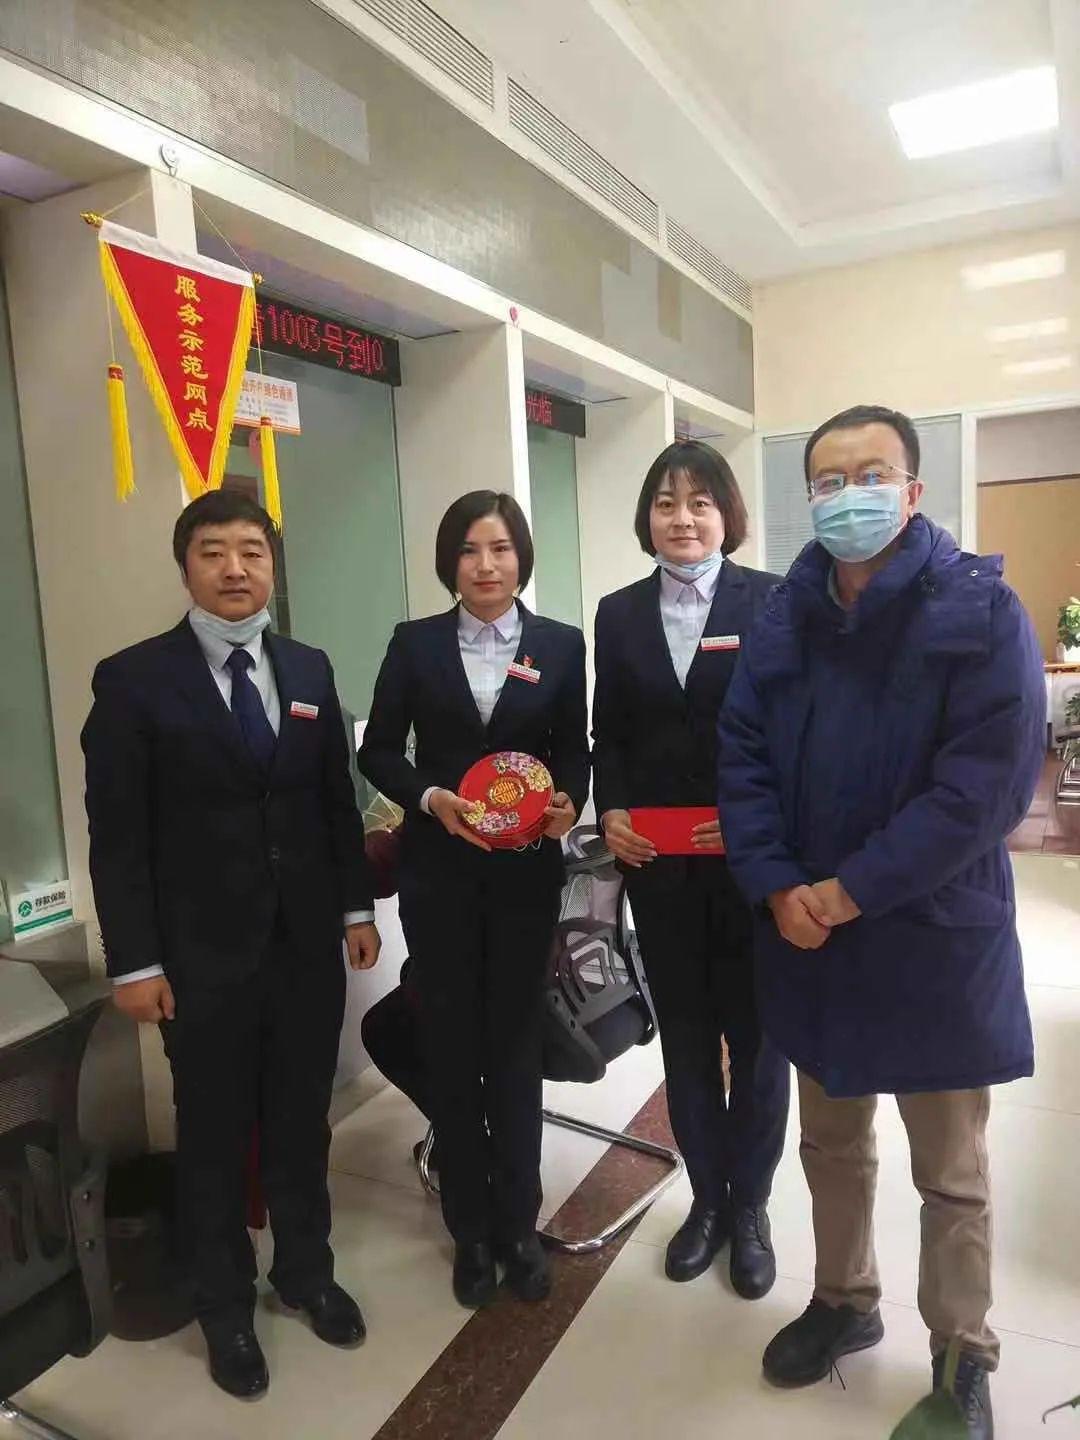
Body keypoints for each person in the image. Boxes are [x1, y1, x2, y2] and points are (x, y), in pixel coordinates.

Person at [717, 405, 1046, 1438]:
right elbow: (743, 757)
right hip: (811, 936)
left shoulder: (980, 610)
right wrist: (778, 885)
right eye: (828, 481)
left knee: (950, 1170)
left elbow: (983, 790)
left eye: (871, 475)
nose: (848, 496)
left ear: (912, 489)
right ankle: (844, 1300)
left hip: (931, 936)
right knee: (831, 1142)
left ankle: (962, 1353)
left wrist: (851, 889)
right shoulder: (787, 615)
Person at [82, 491, 381, 1401]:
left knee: (300, 1119)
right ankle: (224, 1307)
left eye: (252, 550)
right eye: (213, 551)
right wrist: (135, 963)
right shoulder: (134, 680)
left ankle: (307, 1274)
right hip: (196, 958)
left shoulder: (308, 667)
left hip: (303, 948)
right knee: (212, 1134)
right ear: (186, 568)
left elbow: (334, 804)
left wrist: (355, 909)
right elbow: (117, 837)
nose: (235, 568)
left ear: (273, 566)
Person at [358, 491, 589, 1309]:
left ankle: (518, 1226)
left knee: (516, 1051)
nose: (486, 565)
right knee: (452, 1048)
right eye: (468, 550)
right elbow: (379, 751)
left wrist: (567, 802)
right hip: (440, 877)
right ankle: (470, 1230)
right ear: (448, 562)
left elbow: (573, 751)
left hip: (525, 878)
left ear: (521, 556)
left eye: (500, 548)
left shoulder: (560, 645)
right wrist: (430, 799)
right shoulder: (414, 643)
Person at [592, 441, 790, 1297]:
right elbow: (611, 734)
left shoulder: (772, 602)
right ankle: (706, 1200)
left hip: (751, 869)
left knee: (757, 1043)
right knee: (684, 1039)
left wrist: (757, 824)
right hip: (661, 870)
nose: (683, 518)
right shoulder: (618, 613)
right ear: (648, 518)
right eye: (666, 502)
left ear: (726, 516)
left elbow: (793, 734)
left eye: (700, 502)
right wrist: (611, 810)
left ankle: (752, 1207)